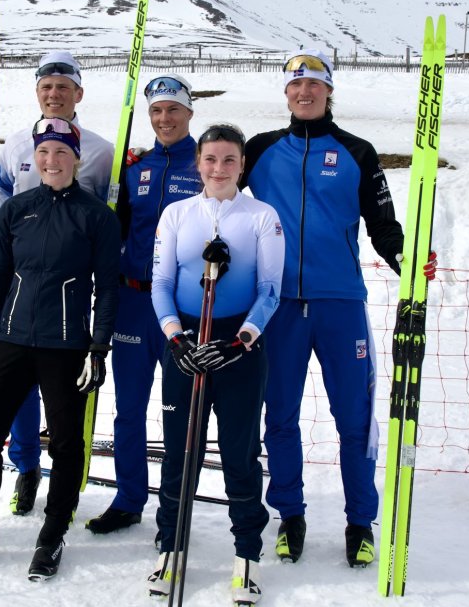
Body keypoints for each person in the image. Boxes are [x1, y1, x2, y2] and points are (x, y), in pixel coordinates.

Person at [241, 50, 436, 568]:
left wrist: (407, 258)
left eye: (314, 85)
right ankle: (290, 515)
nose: (304, 93)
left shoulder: (358, 151)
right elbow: (216, 196)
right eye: (295, 85)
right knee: (278, 416)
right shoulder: (259, 150)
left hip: (340, 303)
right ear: (286, 94)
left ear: (329, 92)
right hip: (276, 306)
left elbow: (384, 224)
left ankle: (360, 522)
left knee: (354, 419)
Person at [0, 118, 120, 580]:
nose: (52, 160)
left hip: (66, 345)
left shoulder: (97, 216)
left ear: (77, 158)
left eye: (62, 152)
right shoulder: (17, 209)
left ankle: (53, 535)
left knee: (65, 444)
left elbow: (107, 287)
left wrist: (98, 348)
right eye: (44, 152)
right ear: (34, 157)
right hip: (12, 340)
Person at [146, 124, 284, 604]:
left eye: (229, 160)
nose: (219, 169)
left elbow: (270, 291)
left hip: (237, 347)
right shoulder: (177, 214)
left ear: (242, 164)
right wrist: (175, 337)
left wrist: (241, 340)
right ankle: (171, 545)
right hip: (185, 339)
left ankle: (246, 553)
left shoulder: (262, 216)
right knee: (181, 449)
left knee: (239, 453)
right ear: (198, 163)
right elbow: (161, 282)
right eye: (210, 159)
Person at [0, 51, 115, 516]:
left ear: (78, 93)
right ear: (37, 93)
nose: (54, 94)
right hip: (20, 281)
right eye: (47, 87)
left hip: (68, 287)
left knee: (61, 388)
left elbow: (102, 216)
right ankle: (24, 469)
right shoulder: (17, 143)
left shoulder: (99, 150)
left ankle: (63, 471)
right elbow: (1, 198)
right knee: (18, 385)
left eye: (64, 86)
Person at [85, 74, 202, 535]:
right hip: (134, 299)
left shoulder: (206, 161)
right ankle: (129, 497)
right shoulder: (133, 167)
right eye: (156, 110)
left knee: (180, 411)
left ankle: (174, 505)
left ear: (189, 113)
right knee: (128, 408)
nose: (164, 118)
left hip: (183, 304)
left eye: (173, 109)